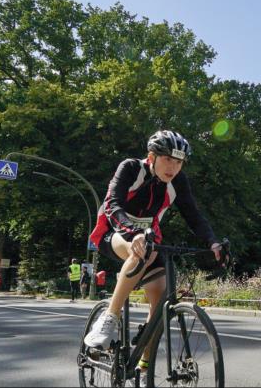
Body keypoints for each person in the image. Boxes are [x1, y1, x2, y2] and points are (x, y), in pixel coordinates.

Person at [83, 130, 222, 367]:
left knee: (161, 295)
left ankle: (144, 368)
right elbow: (113, 204)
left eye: (179, 162)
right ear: (152, 156)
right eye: (168, 159)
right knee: (141, 251)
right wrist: (132, 231)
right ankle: (110, 317)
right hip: (113, 232)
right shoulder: (130, 168)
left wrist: (213, 242)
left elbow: (194, 216)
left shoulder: (177, 181)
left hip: (149, 239)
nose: (173, 167)